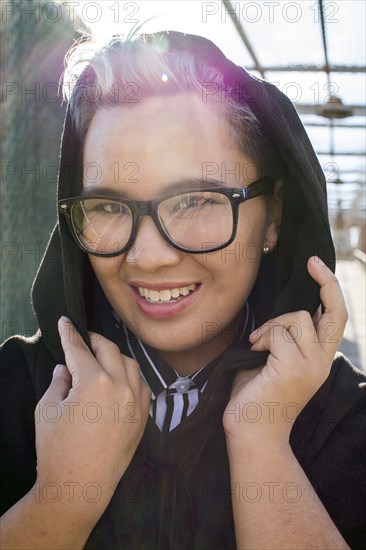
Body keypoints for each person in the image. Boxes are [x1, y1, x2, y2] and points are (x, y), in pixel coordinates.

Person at [1, 30, 365, 549]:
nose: (147, 256)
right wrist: (58, 503)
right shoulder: (17, 395)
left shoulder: (345, 424)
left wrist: (262, 442)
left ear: (274, 217)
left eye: (195, 201)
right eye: (106, 206)